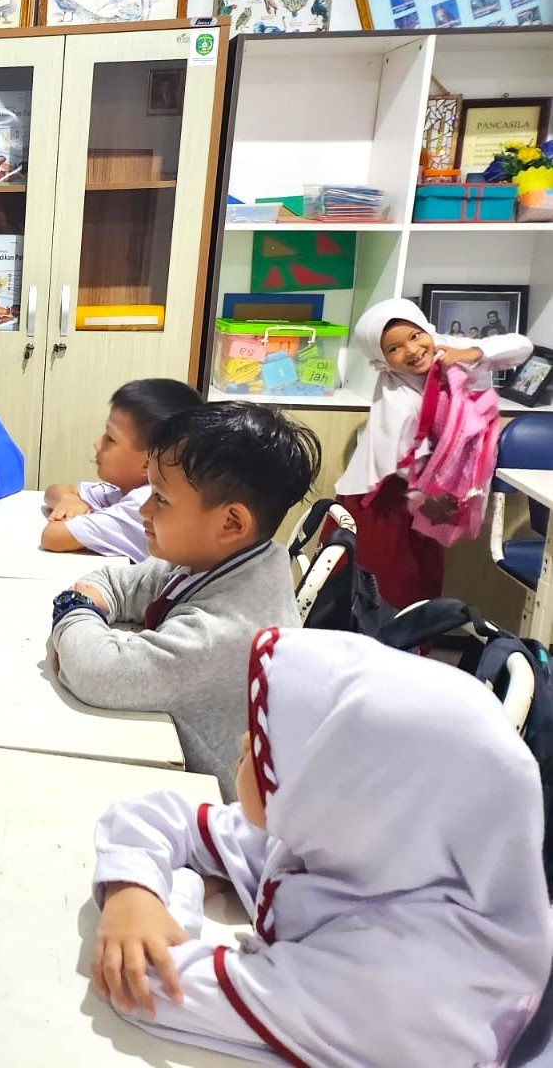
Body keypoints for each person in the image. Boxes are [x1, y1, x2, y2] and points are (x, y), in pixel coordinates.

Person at [89, 628, 551, 1065]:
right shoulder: (375, 848)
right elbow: (158, 817)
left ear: (338, 790)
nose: (246, 741)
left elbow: (148, 984)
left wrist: (174, 886)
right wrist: (135, 893)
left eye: (273, 748)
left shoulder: (394, 985)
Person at [48, 402, 319, 795]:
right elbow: (120, 582)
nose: (143, 509)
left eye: (160, 498)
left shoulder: (223, 631)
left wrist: (73, 612)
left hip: (220, 825)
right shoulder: (215, 560)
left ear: (231, 522)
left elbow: (97, 672)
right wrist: (89, 609)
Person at [334, 298, 530, 608]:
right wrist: (440, 495)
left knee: (421, 580)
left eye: (414, 336)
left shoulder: (447, 349)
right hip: (389, 501)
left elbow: (522, 346)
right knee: (385, 585)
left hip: (431, 493)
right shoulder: (397, 398)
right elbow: (402, 461)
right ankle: (381, 648)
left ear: (426, 329)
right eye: (394, 348)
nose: (411, 350)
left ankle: (412, 646)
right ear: (381, 359)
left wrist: (472, 353)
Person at [40, 378, 202, 561]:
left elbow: (53, 536)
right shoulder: (125, 490)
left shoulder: (142, 503)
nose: (97, 443)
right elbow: (54, 490)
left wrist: (67, 514)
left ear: (149, 463)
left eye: (110, 439)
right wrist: (68, 499)